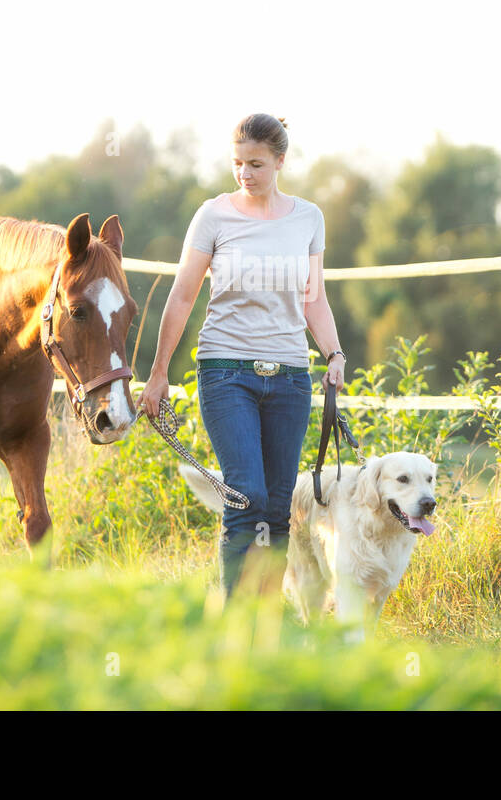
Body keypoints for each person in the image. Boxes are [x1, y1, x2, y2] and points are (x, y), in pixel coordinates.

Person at [138, 113, 347, 598]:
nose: (245, 174)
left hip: (291, 376)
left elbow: (313, 297)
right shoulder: (214, 215)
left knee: (277, 506)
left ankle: (267, 619)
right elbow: (184, 293)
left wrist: (333, 351)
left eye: (255, 164)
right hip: (226, 370)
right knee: (245, 492)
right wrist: (159, 371)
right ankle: (234, 615)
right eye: (237, 163)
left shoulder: (308, 218)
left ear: (280, 161)